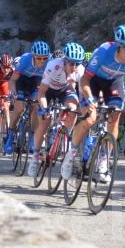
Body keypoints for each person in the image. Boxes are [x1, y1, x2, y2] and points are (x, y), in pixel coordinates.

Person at [60, 25, 125, 183]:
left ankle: (103, 162)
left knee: (115, 114)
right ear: (118, 46)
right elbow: (85, 79)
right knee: (90, 118)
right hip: (92, 82)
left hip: (114, 83)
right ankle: (70, 155)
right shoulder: (104, 52)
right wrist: (90, 100)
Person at [28, 43, 86, 178]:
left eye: (77, 63)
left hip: (65, 90)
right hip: (48, 90)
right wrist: (44, 109)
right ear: (64, 61)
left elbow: (82, 94)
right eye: (71, 63)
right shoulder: (54, 66)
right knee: (45, 121)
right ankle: (35, 156)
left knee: (73, 108)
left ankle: (65, 133)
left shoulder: (80, 70)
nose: (74, 67)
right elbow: (41, 92)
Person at [4, 41, 52, 155]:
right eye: (38, 58)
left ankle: (32, 137)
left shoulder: (48, 62)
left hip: (35, 83)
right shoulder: (25, 59)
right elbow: (13, 80)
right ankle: (10, 135)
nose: (41, 61)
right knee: (19, 108)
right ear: (33, 56)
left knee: (36, 106)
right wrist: (14, 94)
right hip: (21, 82)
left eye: (44, 58)